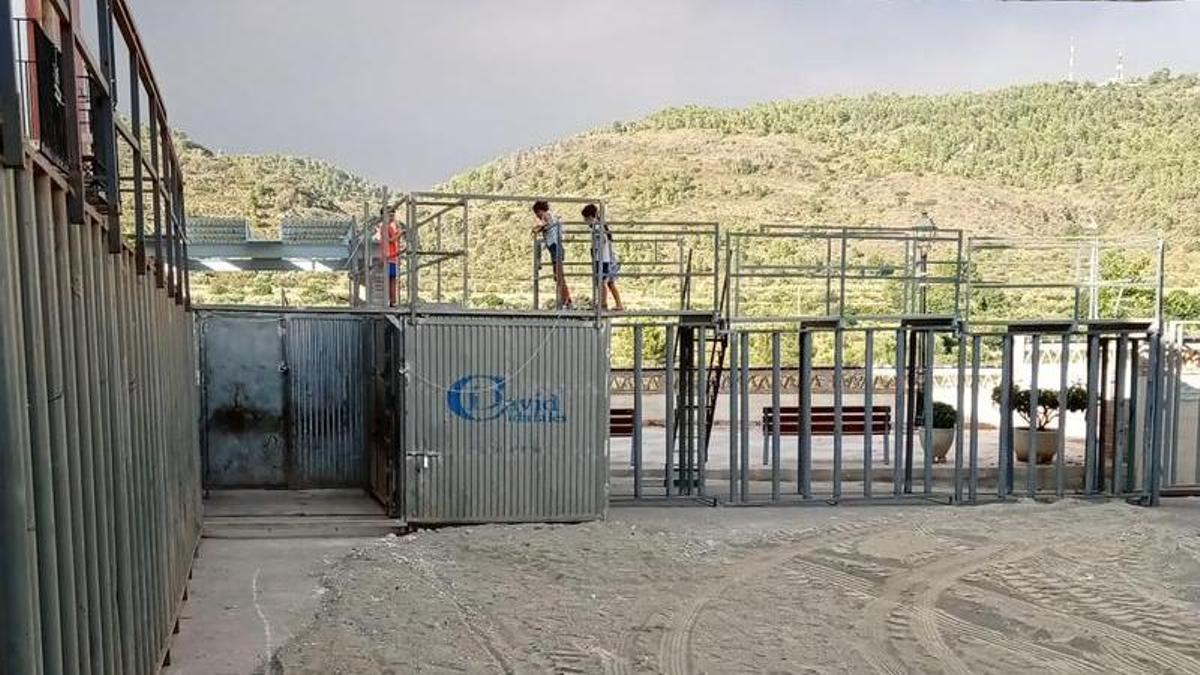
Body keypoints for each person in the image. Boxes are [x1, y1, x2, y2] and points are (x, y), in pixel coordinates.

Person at [583, 203, 624, 311]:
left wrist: (594, 250)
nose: (585, 222)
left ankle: (603, 304)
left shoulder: (597, 227)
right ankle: (616, 304)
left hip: (601, 259)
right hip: (606, 258)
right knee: (608, 282)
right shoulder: (602, 226)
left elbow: (601, 241)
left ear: (591, 217)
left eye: (586, 219)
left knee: (601, 282)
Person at [532, 200, 572, 309]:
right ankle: (565, 300)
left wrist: (537, 229)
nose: (538, 216)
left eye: (537, 213)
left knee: (559, 276)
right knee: (558, 276)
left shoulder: (547, 216)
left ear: (541, 210)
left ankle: (567, 301)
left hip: (556, 247)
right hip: (554, 248)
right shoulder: (550, 216)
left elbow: (546, 225)